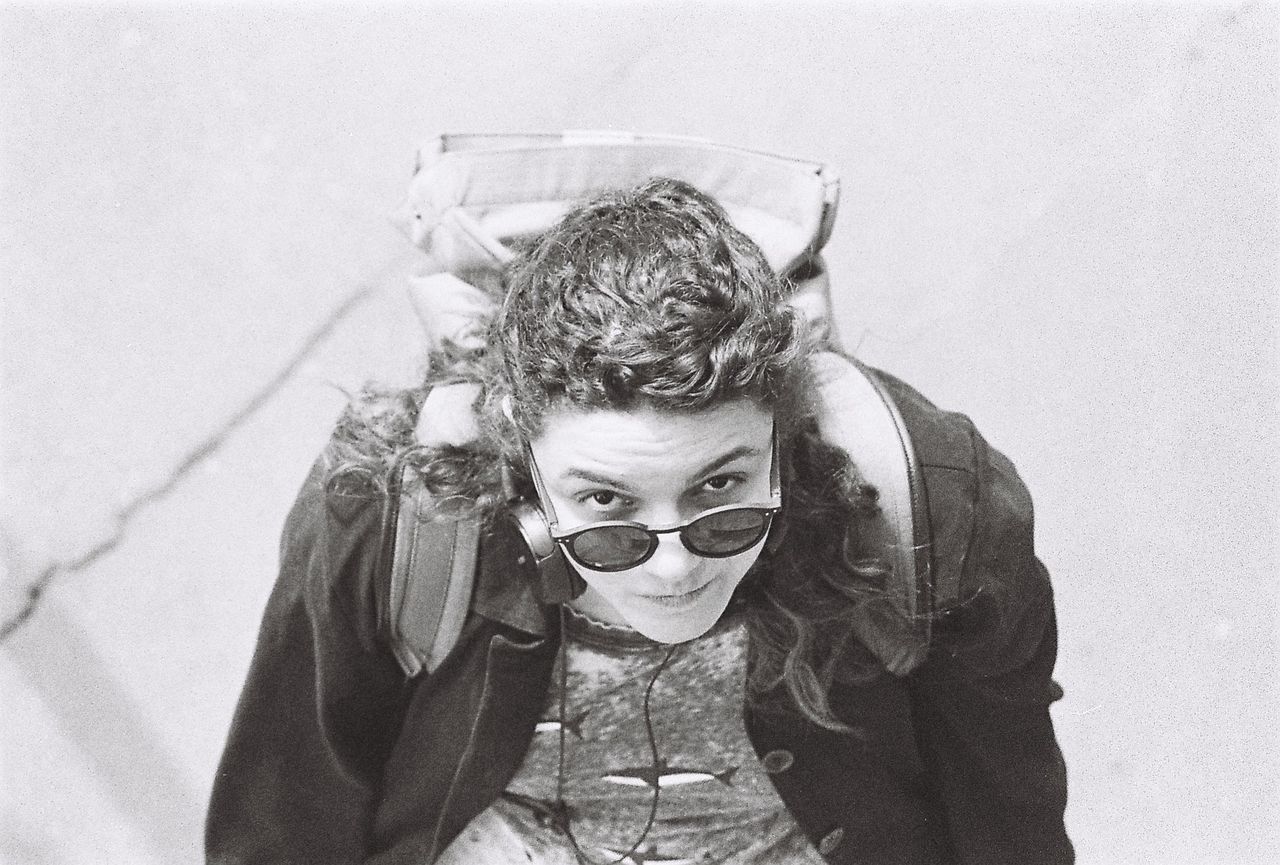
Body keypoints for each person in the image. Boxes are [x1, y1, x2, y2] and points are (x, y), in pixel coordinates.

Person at [207, 178, 1072, 864]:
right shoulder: (392, 512)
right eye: (606, 505)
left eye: (721, 491)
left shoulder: (935, 507)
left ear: (788, 438)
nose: (671, 568)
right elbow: (285, 821)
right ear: (520, 462)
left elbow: (1009, 818)